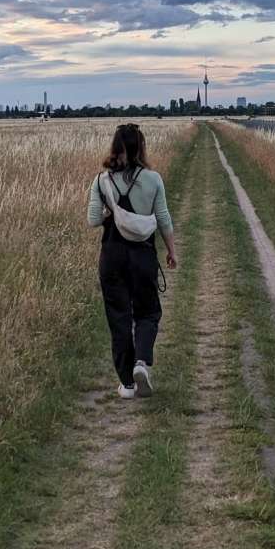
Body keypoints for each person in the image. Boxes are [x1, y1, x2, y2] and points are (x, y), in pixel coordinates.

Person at [87, 123, 177, 399]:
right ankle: (141, 362)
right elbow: (163, 218)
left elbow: (92, 221)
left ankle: (127, 384)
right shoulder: (153, 179)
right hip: (142, 255)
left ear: (115, 147)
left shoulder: (101, 180)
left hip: (112, 256)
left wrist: (111, 212)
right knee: (148, 312)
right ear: (142, 147)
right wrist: (171, 251)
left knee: (119, 317)